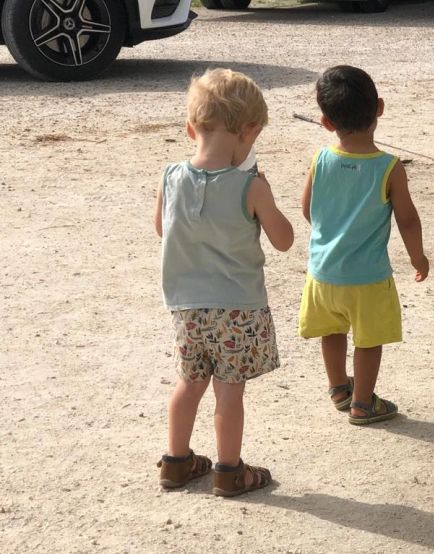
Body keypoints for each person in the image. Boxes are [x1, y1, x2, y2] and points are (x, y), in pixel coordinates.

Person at [153, 69, 293, 496]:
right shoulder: (250, 186)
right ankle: (230, 471)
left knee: (189, 382)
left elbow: (161, 229)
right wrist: (265, 195)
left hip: (187, 307)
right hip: (238, 309)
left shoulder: (170, 177)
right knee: (229, 392)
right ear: (248, 132)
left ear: (190, 128)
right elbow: (284, 240)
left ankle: (176, 462)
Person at [299, 65, 429, 425]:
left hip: (323, 274)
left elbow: (307, 208)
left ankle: (339, 389)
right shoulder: (389, 167)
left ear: (326, 122)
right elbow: (407, 219)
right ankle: (362, 403)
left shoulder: (320, 159)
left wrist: (332, 233)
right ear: (379, 108)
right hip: (368, 277)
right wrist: (418, 258)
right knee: (369, 339)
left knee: (332, 330)